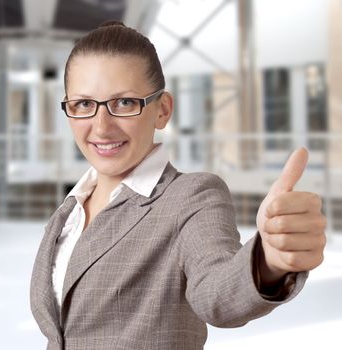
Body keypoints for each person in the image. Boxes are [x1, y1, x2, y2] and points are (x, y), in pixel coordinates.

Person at [30, 21, 326, 350]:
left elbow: (216, 295)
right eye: (84, 104)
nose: (102, 127)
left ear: (162, 110)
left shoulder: (190, 197)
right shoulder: (66, 215)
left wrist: (268, 262)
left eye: (125, 103)